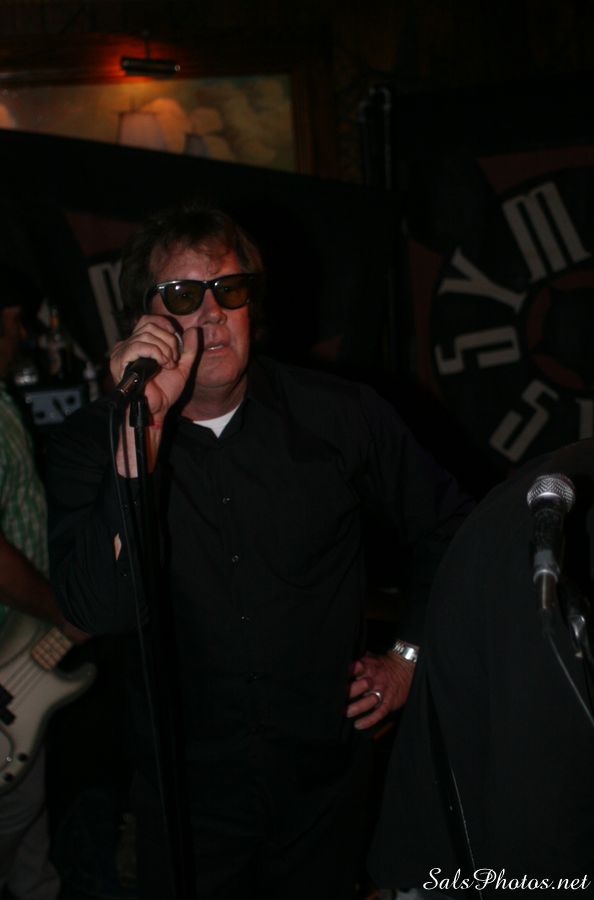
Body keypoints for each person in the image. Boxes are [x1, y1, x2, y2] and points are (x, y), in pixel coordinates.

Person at [46, 199, 473, 900]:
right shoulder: (93, 443)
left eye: (230, 289)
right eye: (183, 295)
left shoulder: (340, 415)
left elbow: (453, 526)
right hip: (185, 801)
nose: (211, 314)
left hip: (325, 792)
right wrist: (140, 432)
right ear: (142, 320)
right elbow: (94, 607)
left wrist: (408, 656)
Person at [368, 445, 594, 897]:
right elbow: (544, 807)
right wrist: (406, 653)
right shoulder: (560, 526)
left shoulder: (568, 483)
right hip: (476, 860)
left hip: (458, 845)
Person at [0, 265, 86, 900]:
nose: (20, 337)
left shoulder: (4, 403)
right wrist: (59, 608)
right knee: (16, 816)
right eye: (10, 324)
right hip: (10, 656)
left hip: (22, 654)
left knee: (32, 842)